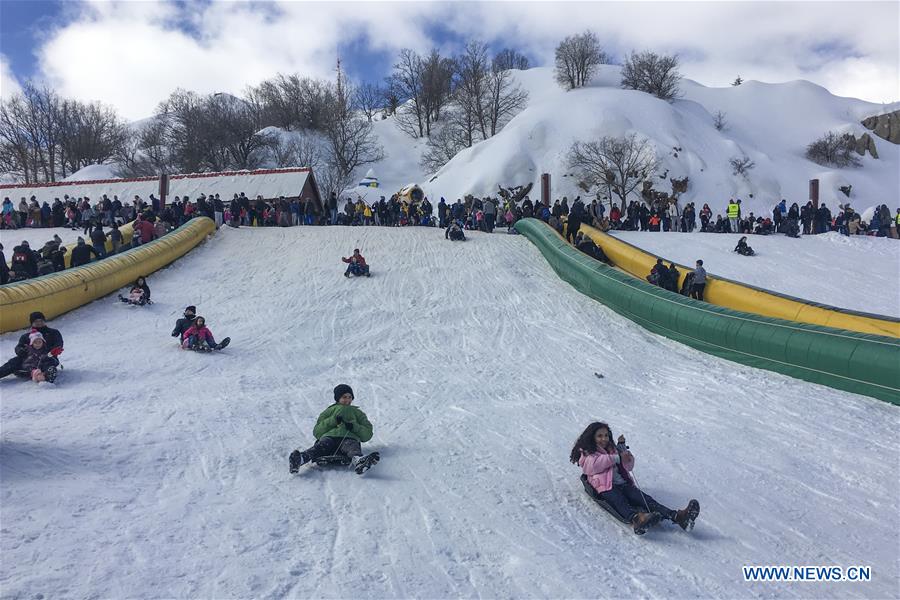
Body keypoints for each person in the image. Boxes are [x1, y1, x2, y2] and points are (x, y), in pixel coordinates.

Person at [570, 422, 699, 535]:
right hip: (604, 487)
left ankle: (677, 517)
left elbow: (628, 467)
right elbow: (593, 466)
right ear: (592, 437)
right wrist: (617, 457)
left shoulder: (612, 449)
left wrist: (627, 457)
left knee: (644, 499)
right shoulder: (587, 452)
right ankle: (637, 519)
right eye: (599, 436)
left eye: (606, 435)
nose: (604, 439)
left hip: (622, 483)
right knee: (618, 500)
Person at [289, 384, 380, 475]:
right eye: (344, 397)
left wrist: (354, 427)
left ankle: (359, 461)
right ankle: (300, 459)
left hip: (349, 437)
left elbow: (367, 434)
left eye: (350, 397)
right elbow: (317, 431)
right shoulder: (329, 411)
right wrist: (333, 420)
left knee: (351, 446)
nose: (347, 400)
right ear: (338, 398)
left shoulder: (358, 413)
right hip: (330, 437)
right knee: (321, 446)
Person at [0, 312, 64, 380]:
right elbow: (19, 347)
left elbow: (59, 344)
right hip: (29, 360)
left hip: (47, 357)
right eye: (36, 321)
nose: (39, 323)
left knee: (49, 363)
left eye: (41, 321)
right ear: (32, 323)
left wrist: (53, 351)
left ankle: (48, 375)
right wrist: (21, 351)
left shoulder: (53, 333)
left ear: (44, 321)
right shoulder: (26, 336)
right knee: (14, 362)